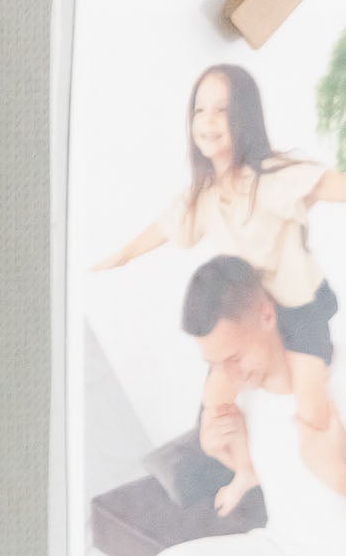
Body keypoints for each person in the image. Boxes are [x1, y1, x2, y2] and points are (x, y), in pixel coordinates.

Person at [94, 64, 346, 414]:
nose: (207, 121)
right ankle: (241, 469)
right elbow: (164, 227)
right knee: (213, 407)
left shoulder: (273, 177)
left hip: (297, 307)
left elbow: (331, 185)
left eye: (221, 110)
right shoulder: (204, 195)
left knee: (313, 413)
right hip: (249, 313)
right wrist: (121, 255)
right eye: (200, 110)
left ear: (245, 117)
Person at [143, 259, 346, 556]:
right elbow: (272, 475)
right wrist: (231, 458)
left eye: (233, 358)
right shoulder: (245, 392)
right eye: (215, 364)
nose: (229, 374)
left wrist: (339, 472)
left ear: (267, 315)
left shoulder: (336, 383)